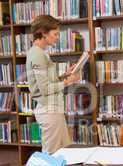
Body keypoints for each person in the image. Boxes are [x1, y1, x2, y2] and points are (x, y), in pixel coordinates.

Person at [26, 15, 80, 154]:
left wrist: (64, 75)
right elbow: (44, 89)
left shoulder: (41, 53)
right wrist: (68, 82)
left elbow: (47, 81)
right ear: (43, 32)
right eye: (55, 34)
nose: (57, 37)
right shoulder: (37, 54)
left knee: (63, 149)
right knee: (51, 153)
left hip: (53, 108)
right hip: (49, 110)